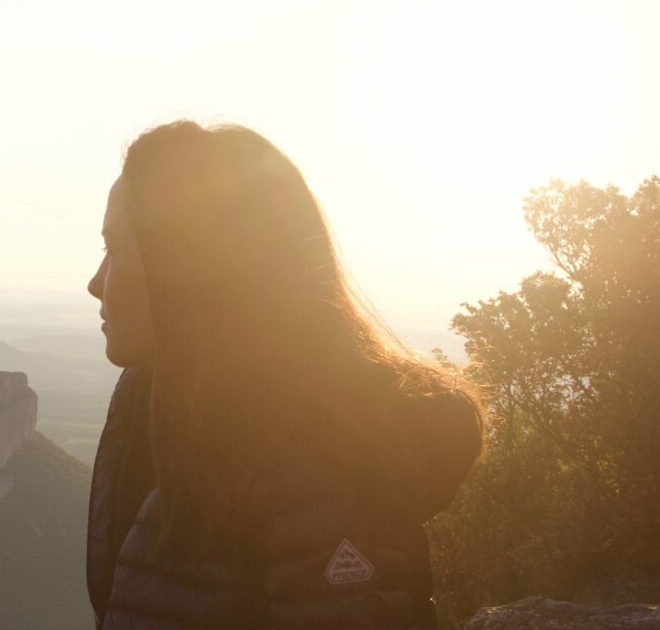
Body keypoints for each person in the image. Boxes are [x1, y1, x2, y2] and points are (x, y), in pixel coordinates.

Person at [84, 120, 485, 629]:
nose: (95, 283)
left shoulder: (314, 485)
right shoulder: (158, 418)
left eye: (114, 250)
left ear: (186, 276)